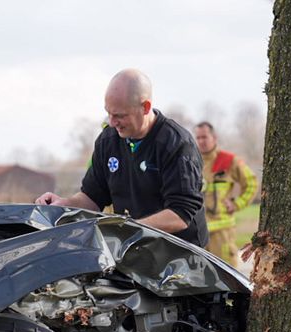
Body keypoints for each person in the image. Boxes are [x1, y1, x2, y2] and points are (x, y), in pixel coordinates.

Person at [36, 69, 208, 247]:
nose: (112, 122)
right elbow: (92, 197)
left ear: (145, 107)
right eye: (108, 113)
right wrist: (64, 205)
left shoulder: (176, 144)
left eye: (120, 115)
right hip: (133, 250)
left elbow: (180, 215)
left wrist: (129, 228)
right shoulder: (108, 141)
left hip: (181, 256)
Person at [194, 122, 257, 262]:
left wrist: (237, 204)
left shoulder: (228, 160)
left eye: (204, 137)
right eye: (198, 138)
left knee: (226, 278)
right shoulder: (191, 160)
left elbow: (251, 183)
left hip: (222, 233)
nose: (201, 141)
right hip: (197, 232)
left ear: (214, 137)